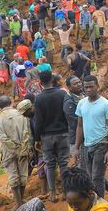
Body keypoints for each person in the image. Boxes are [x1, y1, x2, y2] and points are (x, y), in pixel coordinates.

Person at [74, 75, 108, 205]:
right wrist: (76, 147)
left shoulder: (106, 104)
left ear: (97, 87)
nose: (88, 90)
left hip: (101, 143)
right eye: (86, 87)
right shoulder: (82, 103)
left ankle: (99, 205)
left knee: (97, 178)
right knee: (90, 176)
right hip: (86, 145)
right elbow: (79, 125)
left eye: (91, 87)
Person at [33, 70, 70, 202]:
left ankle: (53, 193)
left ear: (40, 83)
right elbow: (67, 114)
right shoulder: (62, 94)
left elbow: (38, 121)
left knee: (50, 164)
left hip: (47, 136)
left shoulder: (38, 98)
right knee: (64, 163)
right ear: (52, 79)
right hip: (63, 133)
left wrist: (37, 139)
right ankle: (66, 192)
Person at [0, 95, 31, 207]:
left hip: (8, 152)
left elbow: (2, 138)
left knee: (13, 177)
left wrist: (13, 147)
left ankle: (18, 204)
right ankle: (21, 201)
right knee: (23, 176)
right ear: (11, 103)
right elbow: (26, 132)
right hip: (23, 149)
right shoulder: (21, 114)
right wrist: (21, 147)